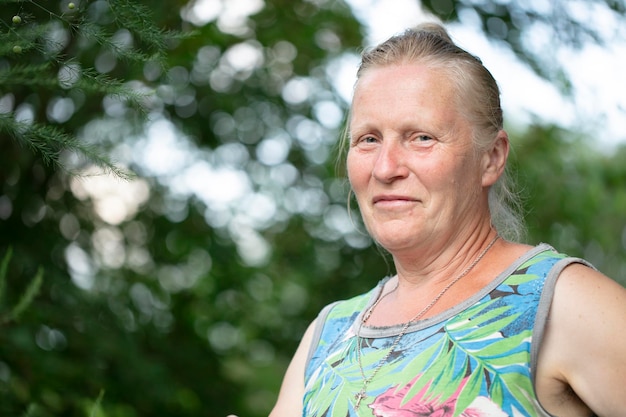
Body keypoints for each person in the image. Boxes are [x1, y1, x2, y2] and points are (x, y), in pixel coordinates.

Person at [268, 22, 626, 417]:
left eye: (421, 137)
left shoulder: (561, 304)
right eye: (368, 139)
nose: (386, 168)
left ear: (491, 158)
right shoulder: (328, 335)